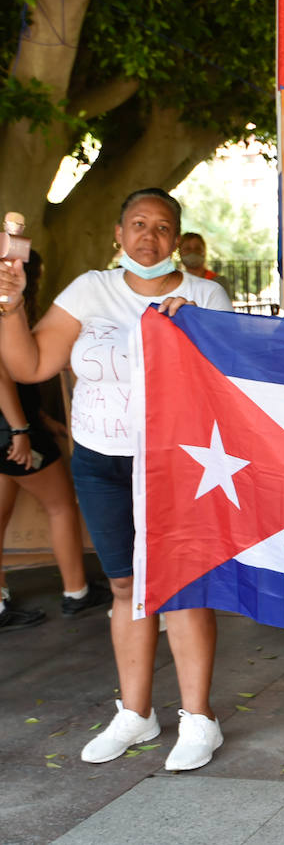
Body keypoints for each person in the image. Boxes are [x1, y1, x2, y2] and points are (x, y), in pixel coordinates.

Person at [0, 188, 232, 770]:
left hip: (179, 464)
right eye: (137, 224)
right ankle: (136, 713)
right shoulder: (89, 290)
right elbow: (29, 365)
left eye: (160, 226)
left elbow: (232, 385)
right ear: (118, 233)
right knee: (126, 588)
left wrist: (201, 329)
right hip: (102, 461)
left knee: (181, 588)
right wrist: (10, 306)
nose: (148, 236)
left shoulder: (205, 294)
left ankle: (200, 720)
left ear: (176, 238)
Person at [0, 250, 112, 632]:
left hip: (17, 428)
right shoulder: (6, 309)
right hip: (13, 433)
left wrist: (43, 420)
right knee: (62, 506)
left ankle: (0, 603)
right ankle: (76, 592)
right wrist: (20, 430)